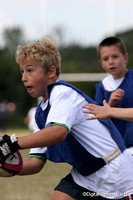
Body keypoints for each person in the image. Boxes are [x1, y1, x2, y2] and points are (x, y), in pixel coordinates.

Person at [0, 36, 133, 200]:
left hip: (114, 173)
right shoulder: (41, 113)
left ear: (51, 72)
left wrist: (12, 144)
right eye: (22, 71)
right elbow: (36, 163)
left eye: (30, 70)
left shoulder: (63, 93)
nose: (23, 77)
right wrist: (9, 167)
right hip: (84, 175)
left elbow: (58, 133)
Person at [95, 36, 133, 150]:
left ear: (125, 57)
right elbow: (99, 121)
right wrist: (110, 105)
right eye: (106, 59)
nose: (111, 62)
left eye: (115, 57)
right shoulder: (101, 87)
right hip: (116, 148)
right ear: (101, 63)